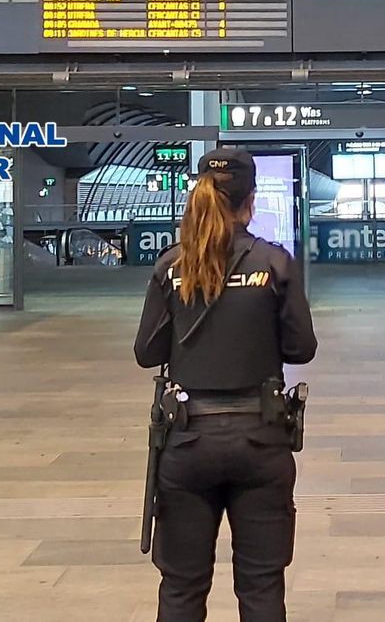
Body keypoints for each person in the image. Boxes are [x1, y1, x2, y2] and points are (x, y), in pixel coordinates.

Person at [135, 147, 318, 622]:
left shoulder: (172, 266)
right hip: (260, 439)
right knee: (261, 586)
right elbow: (302, 348)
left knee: (181, 587)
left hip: (187, 442)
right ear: (250, 201)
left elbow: (147, 352)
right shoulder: (275, 264)